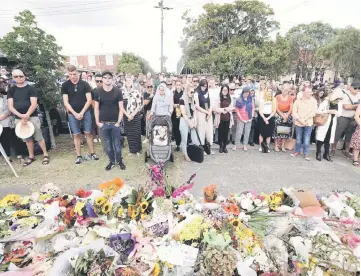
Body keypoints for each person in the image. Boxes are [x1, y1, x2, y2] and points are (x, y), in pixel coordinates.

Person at [7, 69, 50, 166]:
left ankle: (45, 154)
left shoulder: (31, 89)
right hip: (19, 118)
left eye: (21, 76)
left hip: (32, 116)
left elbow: (34, 104)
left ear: (24, 76)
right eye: (16, 76)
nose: (19, 78)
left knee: (38, 136)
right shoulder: (11, 90)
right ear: (13, 78)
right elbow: (10, 106)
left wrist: (27, 115)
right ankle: (31, 156)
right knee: (27, 138)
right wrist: (20, 116)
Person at [62, 65, 99, 164]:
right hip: (72, 113)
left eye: (74, 74)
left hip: (85, 112)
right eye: (70, 74)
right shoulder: (65, 85)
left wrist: (81, 112)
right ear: (68, 75)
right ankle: (78, 156)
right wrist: (75, 113)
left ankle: (93, 153)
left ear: (78, 73)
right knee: (76, 135)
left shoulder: (85, 84)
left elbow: (89, 100)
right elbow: (65, 102)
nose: (73, 76)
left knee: (88, 133)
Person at [94, 71, 126, 171]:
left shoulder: (117, 91)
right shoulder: (97, 92)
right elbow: (96, 108)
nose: (107, 79)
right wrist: (98, 122)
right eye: (105, 77)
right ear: (102, 79)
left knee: (117, 145)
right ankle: (112, 162)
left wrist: (118, 122)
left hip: (115, 123)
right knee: (108, 146)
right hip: (103, 124)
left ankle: (120, 161)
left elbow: (121, 108)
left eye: (109, 77)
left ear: (112, 79)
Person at [332, 82, 360, 157]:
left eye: (359, 88)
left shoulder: (359, 95)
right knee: (337, 133)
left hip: (353, 118)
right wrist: (357, 106)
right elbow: (346, 107)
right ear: (350, 87)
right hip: (343, 117)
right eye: (355, 88)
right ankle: (333, 149)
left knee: (349, 135)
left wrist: (352, 106)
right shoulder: (345, 94)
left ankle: (346, 151)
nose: (357, 90)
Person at [315, 89, 343, 162]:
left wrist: (335, 112)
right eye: (337, 99)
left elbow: (340, 114)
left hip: (332, 122)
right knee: (320, 138)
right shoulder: (326, 102)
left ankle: (326, 154)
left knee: (328, 139)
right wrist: (328, 111)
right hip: (324, 122)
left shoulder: (339, 103)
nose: (338, 100)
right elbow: (318, 111)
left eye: (339, 99)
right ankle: (318, 153)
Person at [291, 87, 318, 161]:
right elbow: (294, 113)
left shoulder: (314, 101)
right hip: (299, 123)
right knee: (298, 139)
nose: (310, 93)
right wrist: (300, 120)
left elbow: (313, 112)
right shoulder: (297, 101)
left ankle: (306, 153)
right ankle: (297, 151)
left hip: (308, 123)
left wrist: (305, 119)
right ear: (303, 92)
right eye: (308, 92)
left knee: (306, 140)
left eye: (310, 92)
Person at [122, 76, 143, 157]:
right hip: (126, 115)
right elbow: (120, 105)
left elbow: (139, 104)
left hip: (135, 115)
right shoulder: (121, 92)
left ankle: (137, 150)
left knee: (136, 132)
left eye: (129, 80)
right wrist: (127, 115)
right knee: (129, 133)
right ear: (124, 82)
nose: (128, 82)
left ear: (132, 82)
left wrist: (133, 114)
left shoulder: (136, 91)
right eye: (127, 80)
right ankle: (131, 150)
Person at [179, 82, 199, 161]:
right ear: (187, 91)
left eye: (193, 91)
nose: (192, 93)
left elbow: (194, 111)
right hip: (184, 120)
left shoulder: (193, 99)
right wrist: (189, 123)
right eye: (191, 92)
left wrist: (195, 121)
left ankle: (195, 153)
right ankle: (185, 154)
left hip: (191, 119)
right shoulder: (182, 99)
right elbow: (183, 113)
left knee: (195, 139)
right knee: (184, 139)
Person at [194, 79, 214, 155]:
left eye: (205, 86)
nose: (204, 88)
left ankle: (209, 148)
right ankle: (202, 149)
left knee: (209, 131)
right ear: (200, 85)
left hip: (209, 114)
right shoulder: (197, 93)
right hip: (201, 114)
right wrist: (206, 112)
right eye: (203, 86)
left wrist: (209, 112)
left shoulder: (209, 93)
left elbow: (211, 104)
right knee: (201, 131)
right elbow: (197, 106)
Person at [273, 83, 293, 152]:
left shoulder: (290, 97)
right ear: (282, 90)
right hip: (279, 114)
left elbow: (291, 108)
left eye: (287, 90)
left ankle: (283, 146)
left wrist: (287, 115)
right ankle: (276, 146)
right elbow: (276, 107)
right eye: (284, 90)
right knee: (277, 131)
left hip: (287, 114)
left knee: (285, 131)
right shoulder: (277, 97)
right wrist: (282, 115)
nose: (285, 92)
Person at [214, 84, 234, 153]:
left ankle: (225, 147)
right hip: (220, 118)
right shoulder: (218, 98)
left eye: (226, 90)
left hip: (227, 118)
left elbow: (232, 107)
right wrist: (224, 110)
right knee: (220, 133)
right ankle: (220, 146)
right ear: (221, 90)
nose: (225, 91)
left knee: (226, 133)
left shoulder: (230, 98)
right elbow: (216, 109)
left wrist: (226, 109)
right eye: (223, 90)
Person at [234, 86, 254, 151]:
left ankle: (245, 145)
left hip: (249, 118)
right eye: (245, 93)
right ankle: (236, 145)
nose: (246, 94)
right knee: (239, 132)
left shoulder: (251, 99)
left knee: (247, 132)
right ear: (242, 92)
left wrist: (252, 117)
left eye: (247, 93)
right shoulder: (239, 99)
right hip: (241, 118)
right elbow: (237, 110)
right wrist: (241, 118)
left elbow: (253, 108)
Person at [258, 85, 277, 153]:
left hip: (270, 116)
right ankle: (261, 146)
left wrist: (268, 118)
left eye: (271, 91)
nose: (269, 92)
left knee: (268, 133)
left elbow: (274, 110)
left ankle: (267, 146)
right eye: (268, 91)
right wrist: (264, 118)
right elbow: (260, 110)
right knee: (261, 133)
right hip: (262, 116)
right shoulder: (262, 99)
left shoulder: (274, 99)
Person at [172, 80, 183, 151]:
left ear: (181, 85)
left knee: (182, 129)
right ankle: (178, 144)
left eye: (179, 84)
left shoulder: (183, 93)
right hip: (174, 114)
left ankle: (184, 143)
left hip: (182, 113)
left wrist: (178, 105)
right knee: (176, 129)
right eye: (177, 85)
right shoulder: (173, 93)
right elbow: (172, 104)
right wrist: (178, 105)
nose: (178, 86)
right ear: (175, 85)